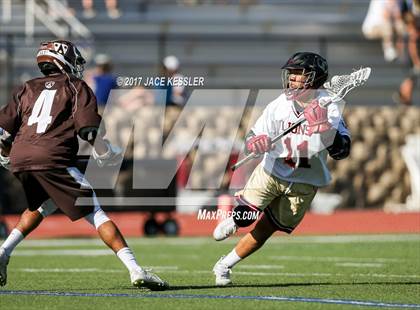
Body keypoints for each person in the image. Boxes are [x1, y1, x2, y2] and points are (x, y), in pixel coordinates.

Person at [0, 40, 168, 290]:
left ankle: (3, 252)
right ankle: (135, 269)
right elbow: (89, 129)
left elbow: (2, 131)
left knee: (41, 206)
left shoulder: (26, 87)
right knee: (96, 212)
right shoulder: (75, 86)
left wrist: (6, 154)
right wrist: (105, 152)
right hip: (52, 156)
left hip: (21, 158)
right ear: (63, 60)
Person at [212, 52, 351, 286]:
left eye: (299, 74)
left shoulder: (330, 105)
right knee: (246, 217)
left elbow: (342, 150)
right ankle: (236, 221)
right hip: (271, 171)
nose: (292, 79)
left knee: (267, 228)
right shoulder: (279, 105)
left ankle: (224, 264)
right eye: (292, 74)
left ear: (314, 78)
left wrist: (323, 126)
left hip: (305, 181)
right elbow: (253, 136)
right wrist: (255, 143)